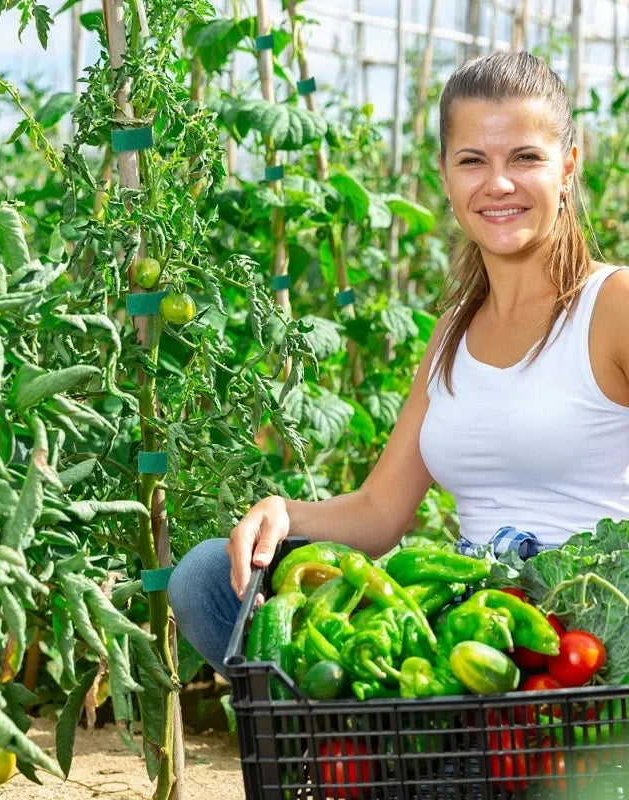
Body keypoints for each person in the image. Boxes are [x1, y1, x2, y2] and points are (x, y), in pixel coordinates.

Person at [167, 50, 629, 678]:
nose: (498, 184)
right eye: (473, 160)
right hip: (475, 625)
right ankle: (371, 755)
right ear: (444, 175)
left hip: (590, 640)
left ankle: (407, 768)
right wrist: (286, 511)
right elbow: (381, 514)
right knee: (207, 578)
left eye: (526, 158)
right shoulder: (452, 335)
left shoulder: (612, 305)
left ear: (567, 167)